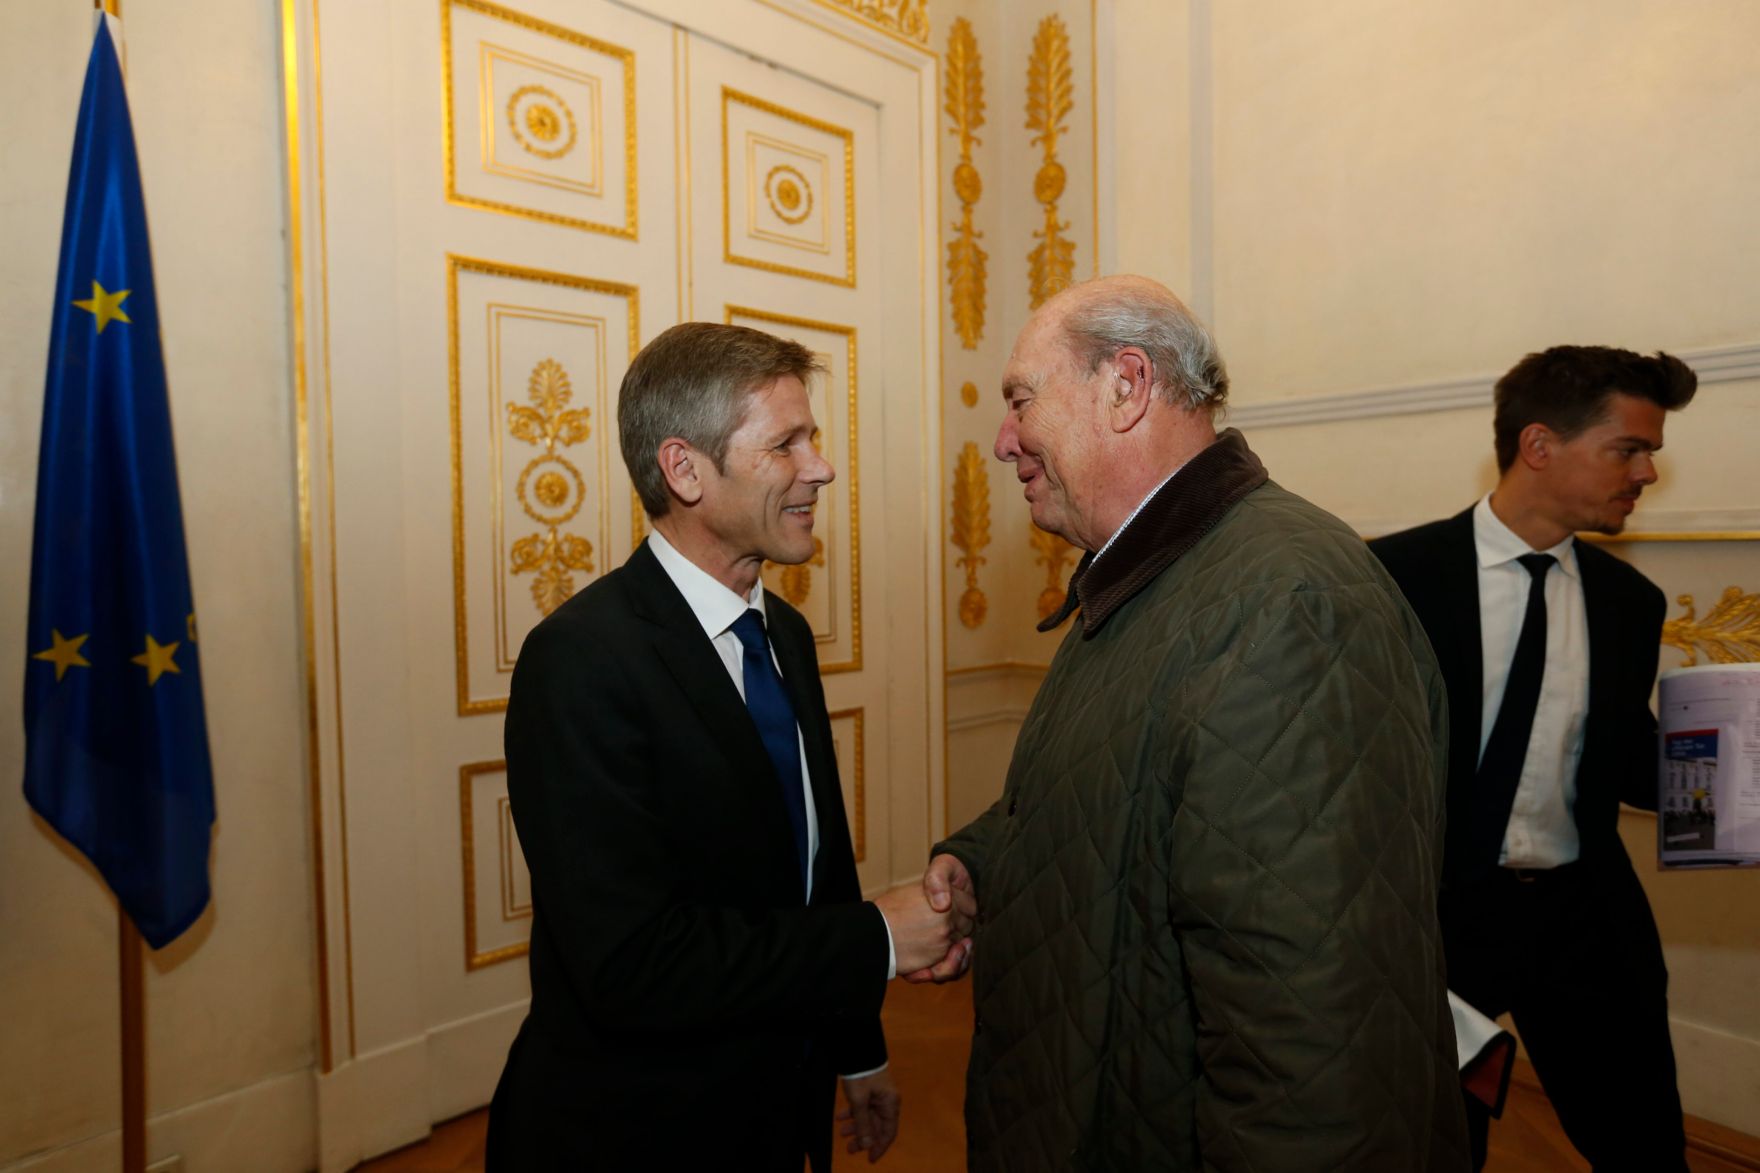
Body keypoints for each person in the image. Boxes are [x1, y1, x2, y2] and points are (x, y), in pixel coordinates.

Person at [915, 276, 1468, 1170]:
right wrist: (981, 859)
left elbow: (1314, 1047)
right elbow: (1129, 784)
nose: (1001, 440)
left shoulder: (1291, 609)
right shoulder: (1152, 569)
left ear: (1126, 386)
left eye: (1022, 399)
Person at [487, 322, 974, 1170]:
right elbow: (633, 965)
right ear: (685, 470)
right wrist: (879, 941)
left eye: (812, 437)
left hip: (776, 1110)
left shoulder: (781, 631)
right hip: (636, 1133)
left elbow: (816, 872)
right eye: (787, 442)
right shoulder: (581, 661)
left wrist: (857, 1051)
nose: (819, 466)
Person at [1370, 345, 1696, 1171]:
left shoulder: (1630, 602)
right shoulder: (1392, 576)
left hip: (1584, 919)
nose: (1647, 472)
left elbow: (1624, 762)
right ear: (1540, 445)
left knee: (1646, 1146)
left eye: (1650, 451)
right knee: (1436, 1147)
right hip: (1432, 922)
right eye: (1630, 448)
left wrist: (1727, 776)